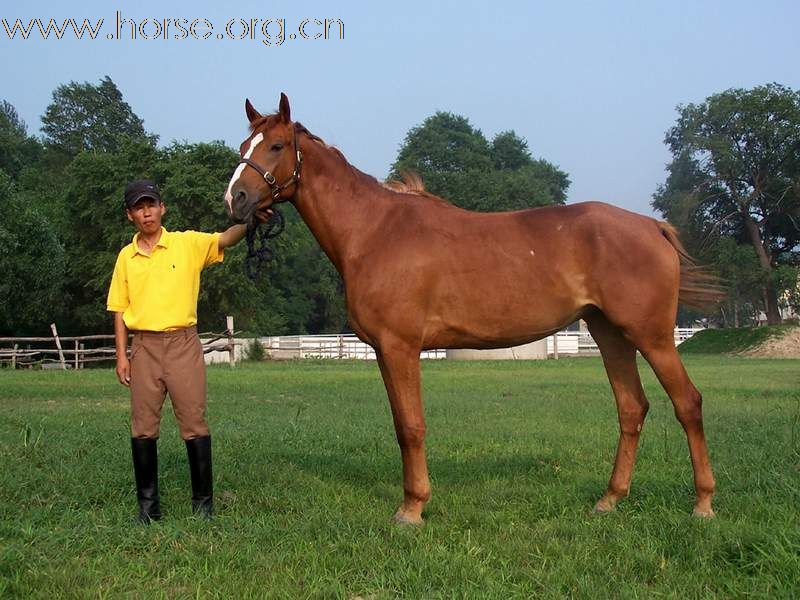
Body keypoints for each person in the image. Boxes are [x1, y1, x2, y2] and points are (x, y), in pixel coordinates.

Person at [107, 179, 247, 523]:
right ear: (130, 216)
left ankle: (203, 506)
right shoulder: (127, 257)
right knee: (142, 428)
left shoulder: (187, 244)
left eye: (151, 204)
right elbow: (119, 310)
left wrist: (252, 217)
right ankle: (148, 508)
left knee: (194, 423)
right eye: (139, 207)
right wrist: (121, 355)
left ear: (162, 207)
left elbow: (225, 238)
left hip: (183, 344)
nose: (147, 212)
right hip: (144, 347)